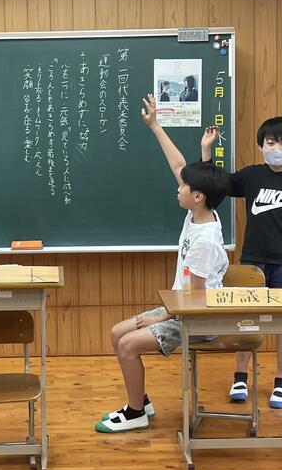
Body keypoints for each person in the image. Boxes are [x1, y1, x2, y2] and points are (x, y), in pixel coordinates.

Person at [95, 94, 229, 433]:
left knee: (128, 343)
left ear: (197, 196)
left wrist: (156, 317)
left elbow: (196, 300)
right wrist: (155, 125)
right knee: (117, 333)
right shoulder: (198, 214)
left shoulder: (204, 240)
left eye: (184, 186)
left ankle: (135, 412)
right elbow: (178, 164)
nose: (178, 187)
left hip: (198, 318)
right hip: (181, 307)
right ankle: (141, 400)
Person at [202, 116, 282, 409]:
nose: (276, 149)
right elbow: (217, 184)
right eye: (270, 143)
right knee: (247, 321)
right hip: (252, 261)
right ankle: (240, 377)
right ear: (260, 146)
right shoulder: (252, 176)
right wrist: (207, 151)